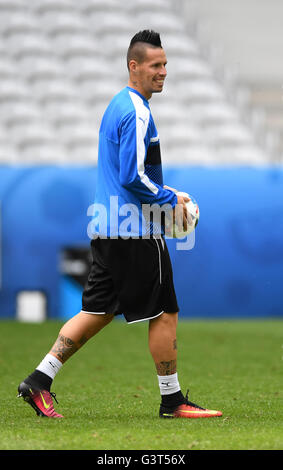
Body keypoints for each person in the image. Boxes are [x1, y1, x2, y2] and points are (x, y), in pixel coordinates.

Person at [17, 30, 222, 419]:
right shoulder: (135, 110)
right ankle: (172, 401)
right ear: (134, 66)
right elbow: (131, 176)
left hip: (108, 228)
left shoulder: (118, 105)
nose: (163, 72)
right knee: (165, 312)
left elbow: (129, 173)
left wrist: (163, 190)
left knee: (95, 313)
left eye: (165, 64)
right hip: (134, 231)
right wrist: (169, 199)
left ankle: (39, 380)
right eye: (155, 65)